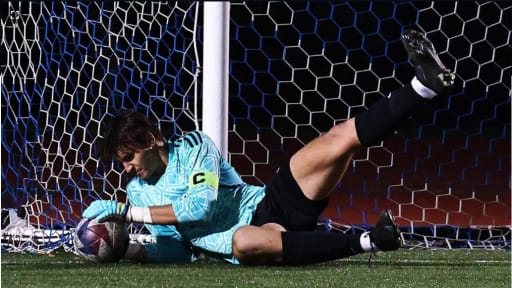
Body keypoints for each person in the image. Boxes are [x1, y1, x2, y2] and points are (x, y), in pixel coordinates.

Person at [82, 29, 454, 265]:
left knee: (335, 142)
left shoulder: (194, 146)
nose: (127, 169)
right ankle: (369, 241)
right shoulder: (138, 194)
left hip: (268, 202)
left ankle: (424, 87)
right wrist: (130, 250)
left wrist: (125, 213)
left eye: (129, 158)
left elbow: (199, 206)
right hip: (250, 238)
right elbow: (177, 248)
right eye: (122, 164)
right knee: (244, 242)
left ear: (151, 140)